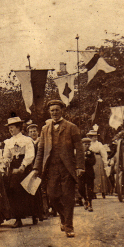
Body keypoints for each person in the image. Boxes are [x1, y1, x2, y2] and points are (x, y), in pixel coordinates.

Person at [32, 100, 84, 238]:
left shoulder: (71, 127)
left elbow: (79, 148)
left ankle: (69, 226)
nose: (54, 112)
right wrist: (37, 167)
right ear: (49, 112)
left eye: (57, 110)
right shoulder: (45, 129)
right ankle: (63, 217)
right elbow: (41, 150)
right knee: (52, 196)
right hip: (51, 168)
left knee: (68, 197)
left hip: (67, 167)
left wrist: (79, 166)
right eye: (52, 110)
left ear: (62, 111)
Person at [2, 116, 37, 228]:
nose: (10, 130)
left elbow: (30, 154)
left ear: (18, 127)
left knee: (28, 189)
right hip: (14, 166)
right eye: (9, 128)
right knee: (13, 190)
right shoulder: (8, 142)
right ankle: (18, 218)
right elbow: (6, 155)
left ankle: (34, 215)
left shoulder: (27, 140)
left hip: (25, 166)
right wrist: (6, 162)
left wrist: (23, 165)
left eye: (12, 128)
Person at [87, 128, 111, 198]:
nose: (95, 138)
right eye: (93, 136)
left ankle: (102, 191)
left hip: (97, 159)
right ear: (90, 137)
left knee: (99, 175)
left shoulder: (99, 144)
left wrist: (105, 162)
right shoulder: (88, 143)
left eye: (96, 136)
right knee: (92, 175)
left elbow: (103, 153)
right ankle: (93, 192)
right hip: (90, 160)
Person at [79, 138, 96, 212]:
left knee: (90, 189)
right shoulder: (78, 153)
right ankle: (85, 199)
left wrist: (86, 159)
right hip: (81, 174)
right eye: (85, 144)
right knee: (80, 188)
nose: (87, 146)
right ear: (82, 145)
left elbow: (93, 162)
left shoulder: (91, 153)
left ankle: (90, 204)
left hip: (89, 173)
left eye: (88, 144)